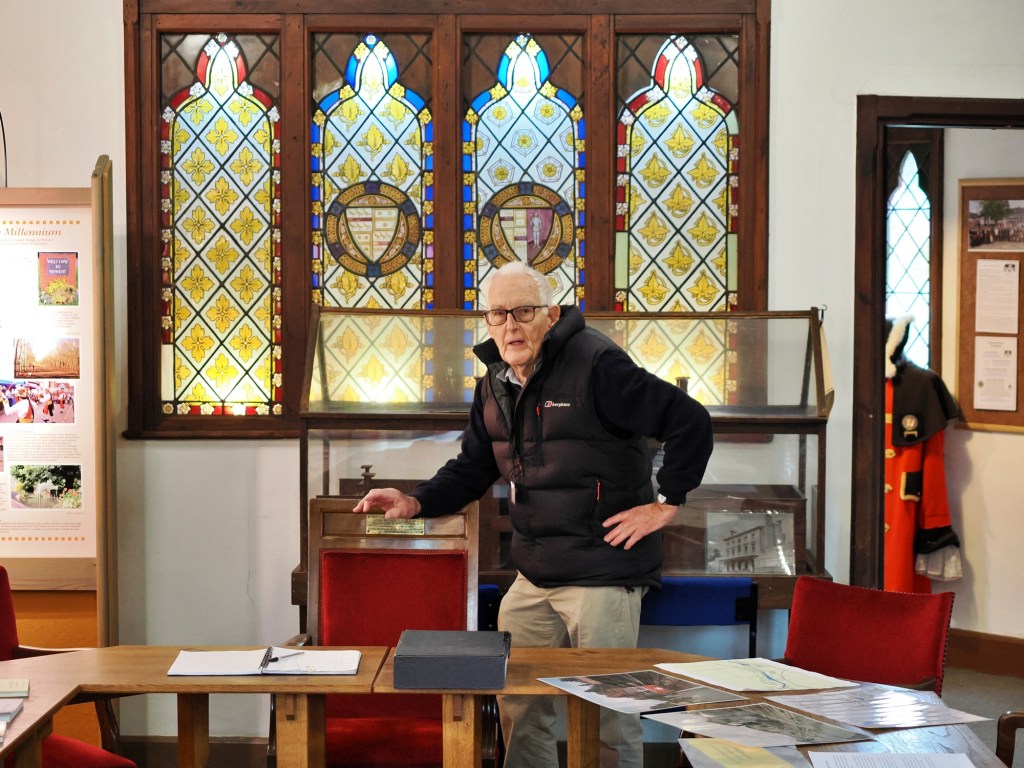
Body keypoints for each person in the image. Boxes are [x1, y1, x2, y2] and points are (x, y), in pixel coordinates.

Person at [354, 261, 713, 768]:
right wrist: (417, 501)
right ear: (487, 320)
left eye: (524, 311)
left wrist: (666, 503)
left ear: (552, 314)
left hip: (602, 571)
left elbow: (690, 421)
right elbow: (473, 466)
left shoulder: (597, 365)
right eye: (498, 314)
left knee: (607, 713)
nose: (511, 326)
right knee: (519, 707)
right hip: (533, 575)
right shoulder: (494, 382)